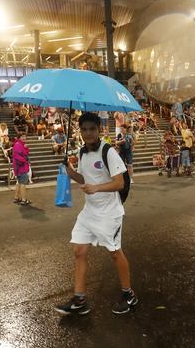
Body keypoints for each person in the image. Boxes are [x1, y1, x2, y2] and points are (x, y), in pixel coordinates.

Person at [55, 112, 137, 315]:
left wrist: (97, 188)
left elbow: (120, 183)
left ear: (98, 130)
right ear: (80, 131)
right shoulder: (83, 152)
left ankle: (129, 295)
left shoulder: (108, 152)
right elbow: (84, 179)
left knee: (115, 253)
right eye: (84, 129)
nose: (88, 133)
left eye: (92, 129)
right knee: (79, 251)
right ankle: (80, 300)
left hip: (110, 213)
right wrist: (70, 170)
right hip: (89, 211)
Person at [11, 132, 31, 205]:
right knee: (23, 184)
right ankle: (23, 199)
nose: (24, 138)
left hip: (19, 167)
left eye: (25, 136)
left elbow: (25, 153)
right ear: (19, 137)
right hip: (21, 167)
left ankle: (16, 198)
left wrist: (25, 148)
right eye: (22, 136)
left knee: (19, 183)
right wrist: (25, 160)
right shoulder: (18, 145)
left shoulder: (19, 144)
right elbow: (17, 156)